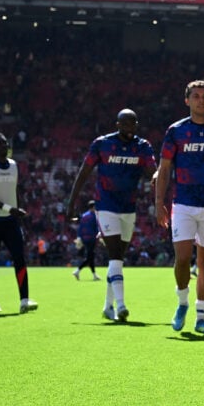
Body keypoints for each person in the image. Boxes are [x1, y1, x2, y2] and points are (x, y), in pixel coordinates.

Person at [65, 109, 156, 322]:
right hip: (105, 206)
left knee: (118, 260)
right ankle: (121, 306)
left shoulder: (143, 147)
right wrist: (71, 202)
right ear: (117, 124)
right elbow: (84, 172)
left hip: (128, 208)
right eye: (125, 123)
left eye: (133, 123)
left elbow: (153, 172)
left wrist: (159, 176)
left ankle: (107, 307)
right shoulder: (102, 144)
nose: (129, 126)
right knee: (115, 255)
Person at [155, 80, 204, 334]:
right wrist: (158, 203)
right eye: (196, 96)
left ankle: (201, 317)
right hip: (182, 204)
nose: (201, 100)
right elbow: (165, 169)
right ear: (187, 100)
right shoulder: (176, 131)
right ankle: (182, 302)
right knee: (183, 259)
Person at [0, 133, 37, 314]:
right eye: (1, 143)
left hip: (10, 222)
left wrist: (17, 214)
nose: (5, 146)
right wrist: (9, 209)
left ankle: (24, 300)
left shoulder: (14, 165)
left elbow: (14, 191)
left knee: (20, 258)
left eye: (6, 143)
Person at [72, 200, 101, 281]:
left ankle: (94, 275)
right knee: (90, 257)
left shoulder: (84, 215)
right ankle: (77, 271)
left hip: (84, 238)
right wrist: (99, 235)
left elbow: (80, 228)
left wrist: (79, 237)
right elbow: (96, 227)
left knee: (91, 256)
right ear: (93, 207)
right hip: (91, 238)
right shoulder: (94, 216)